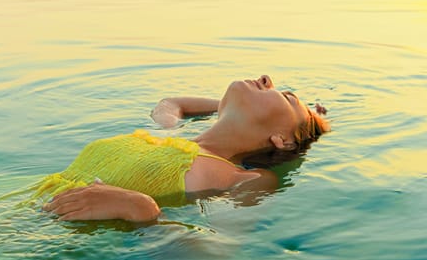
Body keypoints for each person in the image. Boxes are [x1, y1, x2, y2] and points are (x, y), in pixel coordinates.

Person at [40, 75, 329, 222]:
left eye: (286, 96)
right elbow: (171, 104)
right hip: (8, 205)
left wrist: (138, 207)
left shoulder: (246, 179)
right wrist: (231, 109)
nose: (267, 80)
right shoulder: (162, 135)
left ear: (283, 140)